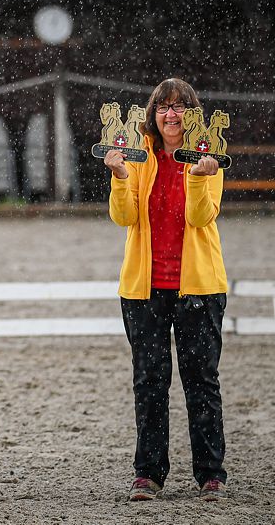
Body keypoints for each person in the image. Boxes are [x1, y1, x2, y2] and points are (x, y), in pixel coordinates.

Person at [103, 77, 229, 502]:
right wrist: (120, 176)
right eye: (163, 107)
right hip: (145, 289)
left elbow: (201, 216)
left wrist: (196, 177)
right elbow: (124, 217)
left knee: (201, 384)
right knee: (149, 383)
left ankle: (211, 474)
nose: (171, 114)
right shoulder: (139, 157)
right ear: (153, 115)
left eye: (179, 106)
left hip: (200, 288)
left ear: (192, 113)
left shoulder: (210, 156)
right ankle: (149, 473)